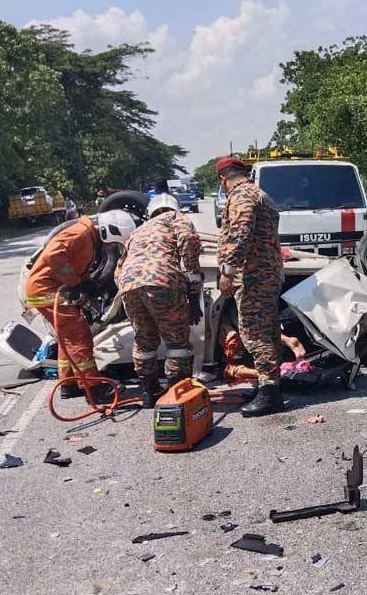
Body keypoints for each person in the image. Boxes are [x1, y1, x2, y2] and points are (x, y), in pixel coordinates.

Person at [25, 210, 137, 403]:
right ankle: (93, 389)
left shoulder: (89, 237)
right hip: (47, 291)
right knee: (79, 337)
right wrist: (74, 284)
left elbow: (75, 262)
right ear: (108, 231)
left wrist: (85, 284)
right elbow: (55, 254)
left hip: (49, 289)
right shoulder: (80, 233)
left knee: (67, 337)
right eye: (113, 242)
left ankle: (68, 384)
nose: (111, 246)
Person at [114, 194, 202, 408]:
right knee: (177, 341)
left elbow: (119, 268)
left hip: (129, 285)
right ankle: (176, 393)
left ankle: (150, 392)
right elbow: (189, 241)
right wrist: (193, 284)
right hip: (162, 282)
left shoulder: (139, 230)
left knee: (144, 340)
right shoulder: (175, 218)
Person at [215, 156, 286, 417]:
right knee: (266, 330)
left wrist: (228, 271)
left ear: (223, 178)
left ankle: (270, 394)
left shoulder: (242, 196)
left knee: (256, 333)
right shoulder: (260, 194)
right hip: (266, 273)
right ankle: (269, 387)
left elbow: (240, 233)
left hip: (254, 275)